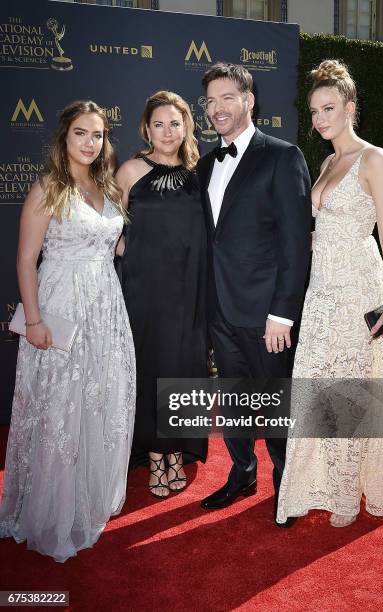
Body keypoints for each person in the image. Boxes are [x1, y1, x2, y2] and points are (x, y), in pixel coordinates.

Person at [0, 101, 136, 561]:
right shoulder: (48, 187)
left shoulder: (107, 185)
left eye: (97, 135)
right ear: (64, 137)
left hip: (105, 307)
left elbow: (114, 244)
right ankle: (50, 510)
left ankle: (87, 498)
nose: (89, 143)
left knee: (97, 399)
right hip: (61, 305)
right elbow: (25, 259)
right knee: (58, 407)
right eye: (81, 133)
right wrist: (34, 320)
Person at [277, 60, 383, 527]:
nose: (319, 118)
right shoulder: (329, 162)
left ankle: (347, 494)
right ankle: (324, 484)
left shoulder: (375, 159)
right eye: (314, 110)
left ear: (350, 108)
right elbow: (322, 230)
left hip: (358, 287)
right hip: (322, 291)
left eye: (328, 108)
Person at [196, 63, 311, 525]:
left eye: (228, 97)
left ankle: (286, 485)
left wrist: (282, 312)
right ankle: (242, 472)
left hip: (266, 312)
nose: (218, 108)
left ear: (249, 100)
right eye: (210, 100)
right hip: (220, 308)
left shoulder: (283, 156)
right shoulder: (205, 163)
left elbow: (295, 242)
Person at [116, 91, 207, 499]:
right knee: (151, 369)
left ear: (186, 125)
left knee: (182, 371)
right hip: (145, 291)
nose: (167, 131)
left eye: (175, 123)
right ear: (146, 128)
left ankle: (177, 453)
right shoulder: (131, 170)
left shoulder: (199, 172)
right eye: (159, 123)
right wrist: (137, 258)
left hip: (189, 291)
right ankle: (156, 457)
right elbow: (110, 231)